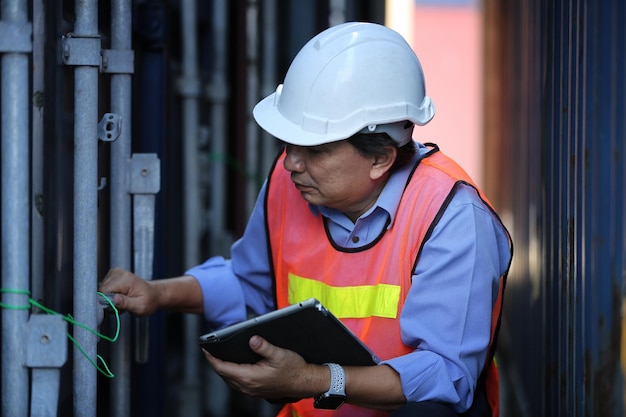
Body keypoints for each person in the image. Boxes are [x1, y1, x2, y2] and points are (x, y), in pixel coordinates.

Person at [100, 21, 512, 417]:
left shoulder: (451, 217)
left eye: (315, 149)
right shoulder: (289, 181)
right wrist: (156, 294)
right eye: (291, 143)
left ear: (380, 158)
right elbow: (249, 284)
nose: (292, 162)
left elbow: (446, 376)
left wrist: (315, 379)